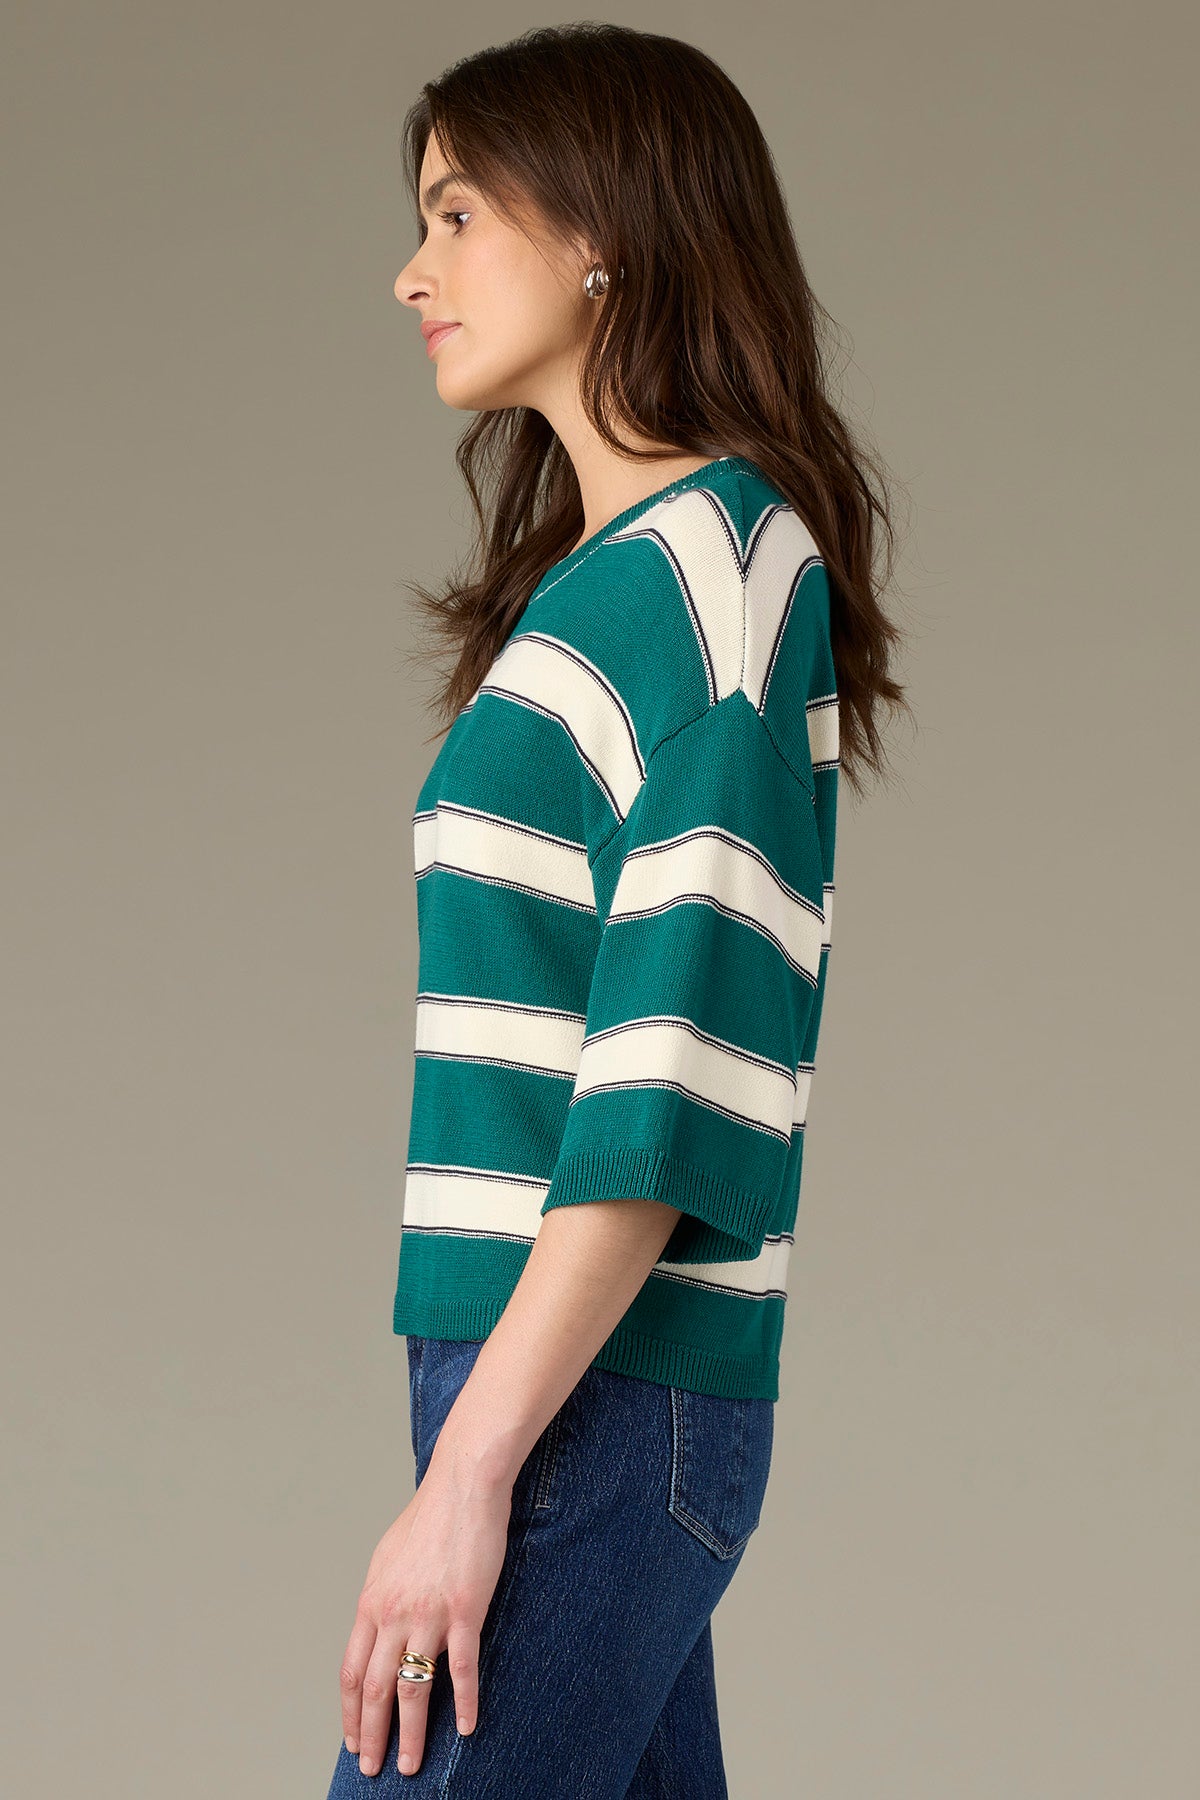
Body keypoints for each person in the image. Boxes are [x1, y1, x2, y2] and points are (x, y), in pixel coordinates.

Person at [326, 22, 911, 1797]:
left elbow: (671, 1080)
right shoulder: (609, 586)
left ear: (600, 229)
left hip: (590, 1400)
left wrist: (472, 1472)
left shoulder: (723, 572)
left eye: (455, 214)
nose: (411, 271)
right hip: (546, 1383)